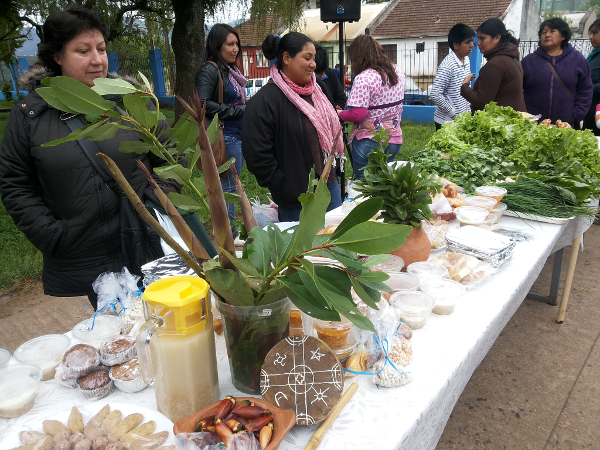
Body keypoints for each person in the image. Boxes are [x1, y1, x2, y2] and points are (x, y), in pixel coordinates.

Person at [0, 6, 184, 310]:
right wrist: (55, 235)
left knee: (165, 323)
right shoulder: (30, 117)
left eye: (101, 49)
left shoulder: (130, 101)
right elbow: (16, 185)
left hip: (145, 239)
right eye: (83, 51)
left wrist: (155, 200)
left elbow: (171, 154)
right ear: (57, 56)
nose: (97, 59)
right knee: (116, 336)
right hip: (86, 253)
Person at [241, 33, 344, 222]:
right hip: (296, 198)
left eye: (313, 58)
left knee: (335, 243)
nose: (313, 64)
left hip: (329, 187)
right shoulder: (266, 101)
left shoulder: (317, 88)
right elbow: (256, 153)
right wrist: (281, 185)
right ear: (286, 58)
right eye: (307, 58)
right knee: (303, 251)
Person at [195, 23, 247, 230]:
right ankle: (230, 239)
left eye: (237, 44)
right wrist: (241, 110)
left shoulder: (231, 70)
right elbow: (202, 103)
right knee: (227, 189)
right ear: (217, 46)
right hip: (223, 137)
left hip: (235, 136)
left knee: (231, 186)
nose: (235, 49)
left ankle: (230, 236)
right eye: (230, 44)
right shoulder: (210, 69)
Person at [339, 34, 405, 180]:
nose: (353, 65)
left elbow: (358, 115)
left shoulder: (364, 78)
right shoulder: (397, 72)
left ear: (359, 58)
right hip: (393, 139)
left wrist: (339, 114)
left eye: (353, 61)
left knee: (365, 188)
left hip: (369, 141)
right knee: (385, 184)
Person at [522, 18, 592, 128]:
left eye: (552, 31)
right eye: (544, 32)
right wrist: (526, 116)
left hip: (566, 125)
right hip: (534, 126)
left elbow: (586, 90)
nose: (547, 35)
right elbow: (516, 90)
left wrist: (575, 116)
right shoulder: (529, 61)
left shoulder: (577, 60)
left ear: (563, 36)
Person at [460, 18, 527, 113]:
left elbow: (482, 103)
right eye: (478, 38)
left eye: (482, 38)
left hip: (503, 124)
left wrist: (465, 86)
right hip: (513, 121)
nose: (478, 43)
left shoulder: (496, 64)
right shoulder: (510, 58)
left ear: (497, 38)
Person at [431, 24, 475, 130]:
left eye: (472, 41)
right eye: (467, 42)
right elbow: (435, 94)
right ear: (456, 45)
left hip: (461, 119)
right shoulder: (448, 65)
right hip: (447, 122)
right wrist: (453, 113)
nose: (472, 45)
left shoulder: (466, 60)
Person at [314, 43, 347, 109]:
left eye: (322, 73)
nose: (319, 77)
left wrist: (336, 107)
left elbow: (341, 98)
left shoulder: (330, 73)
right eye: (317, 74)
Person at [584, 19, 600, 134]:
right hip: (591, 111)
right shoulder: (595, 54)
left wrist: (587, 89)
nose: (590, 37)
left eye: (594, 33)